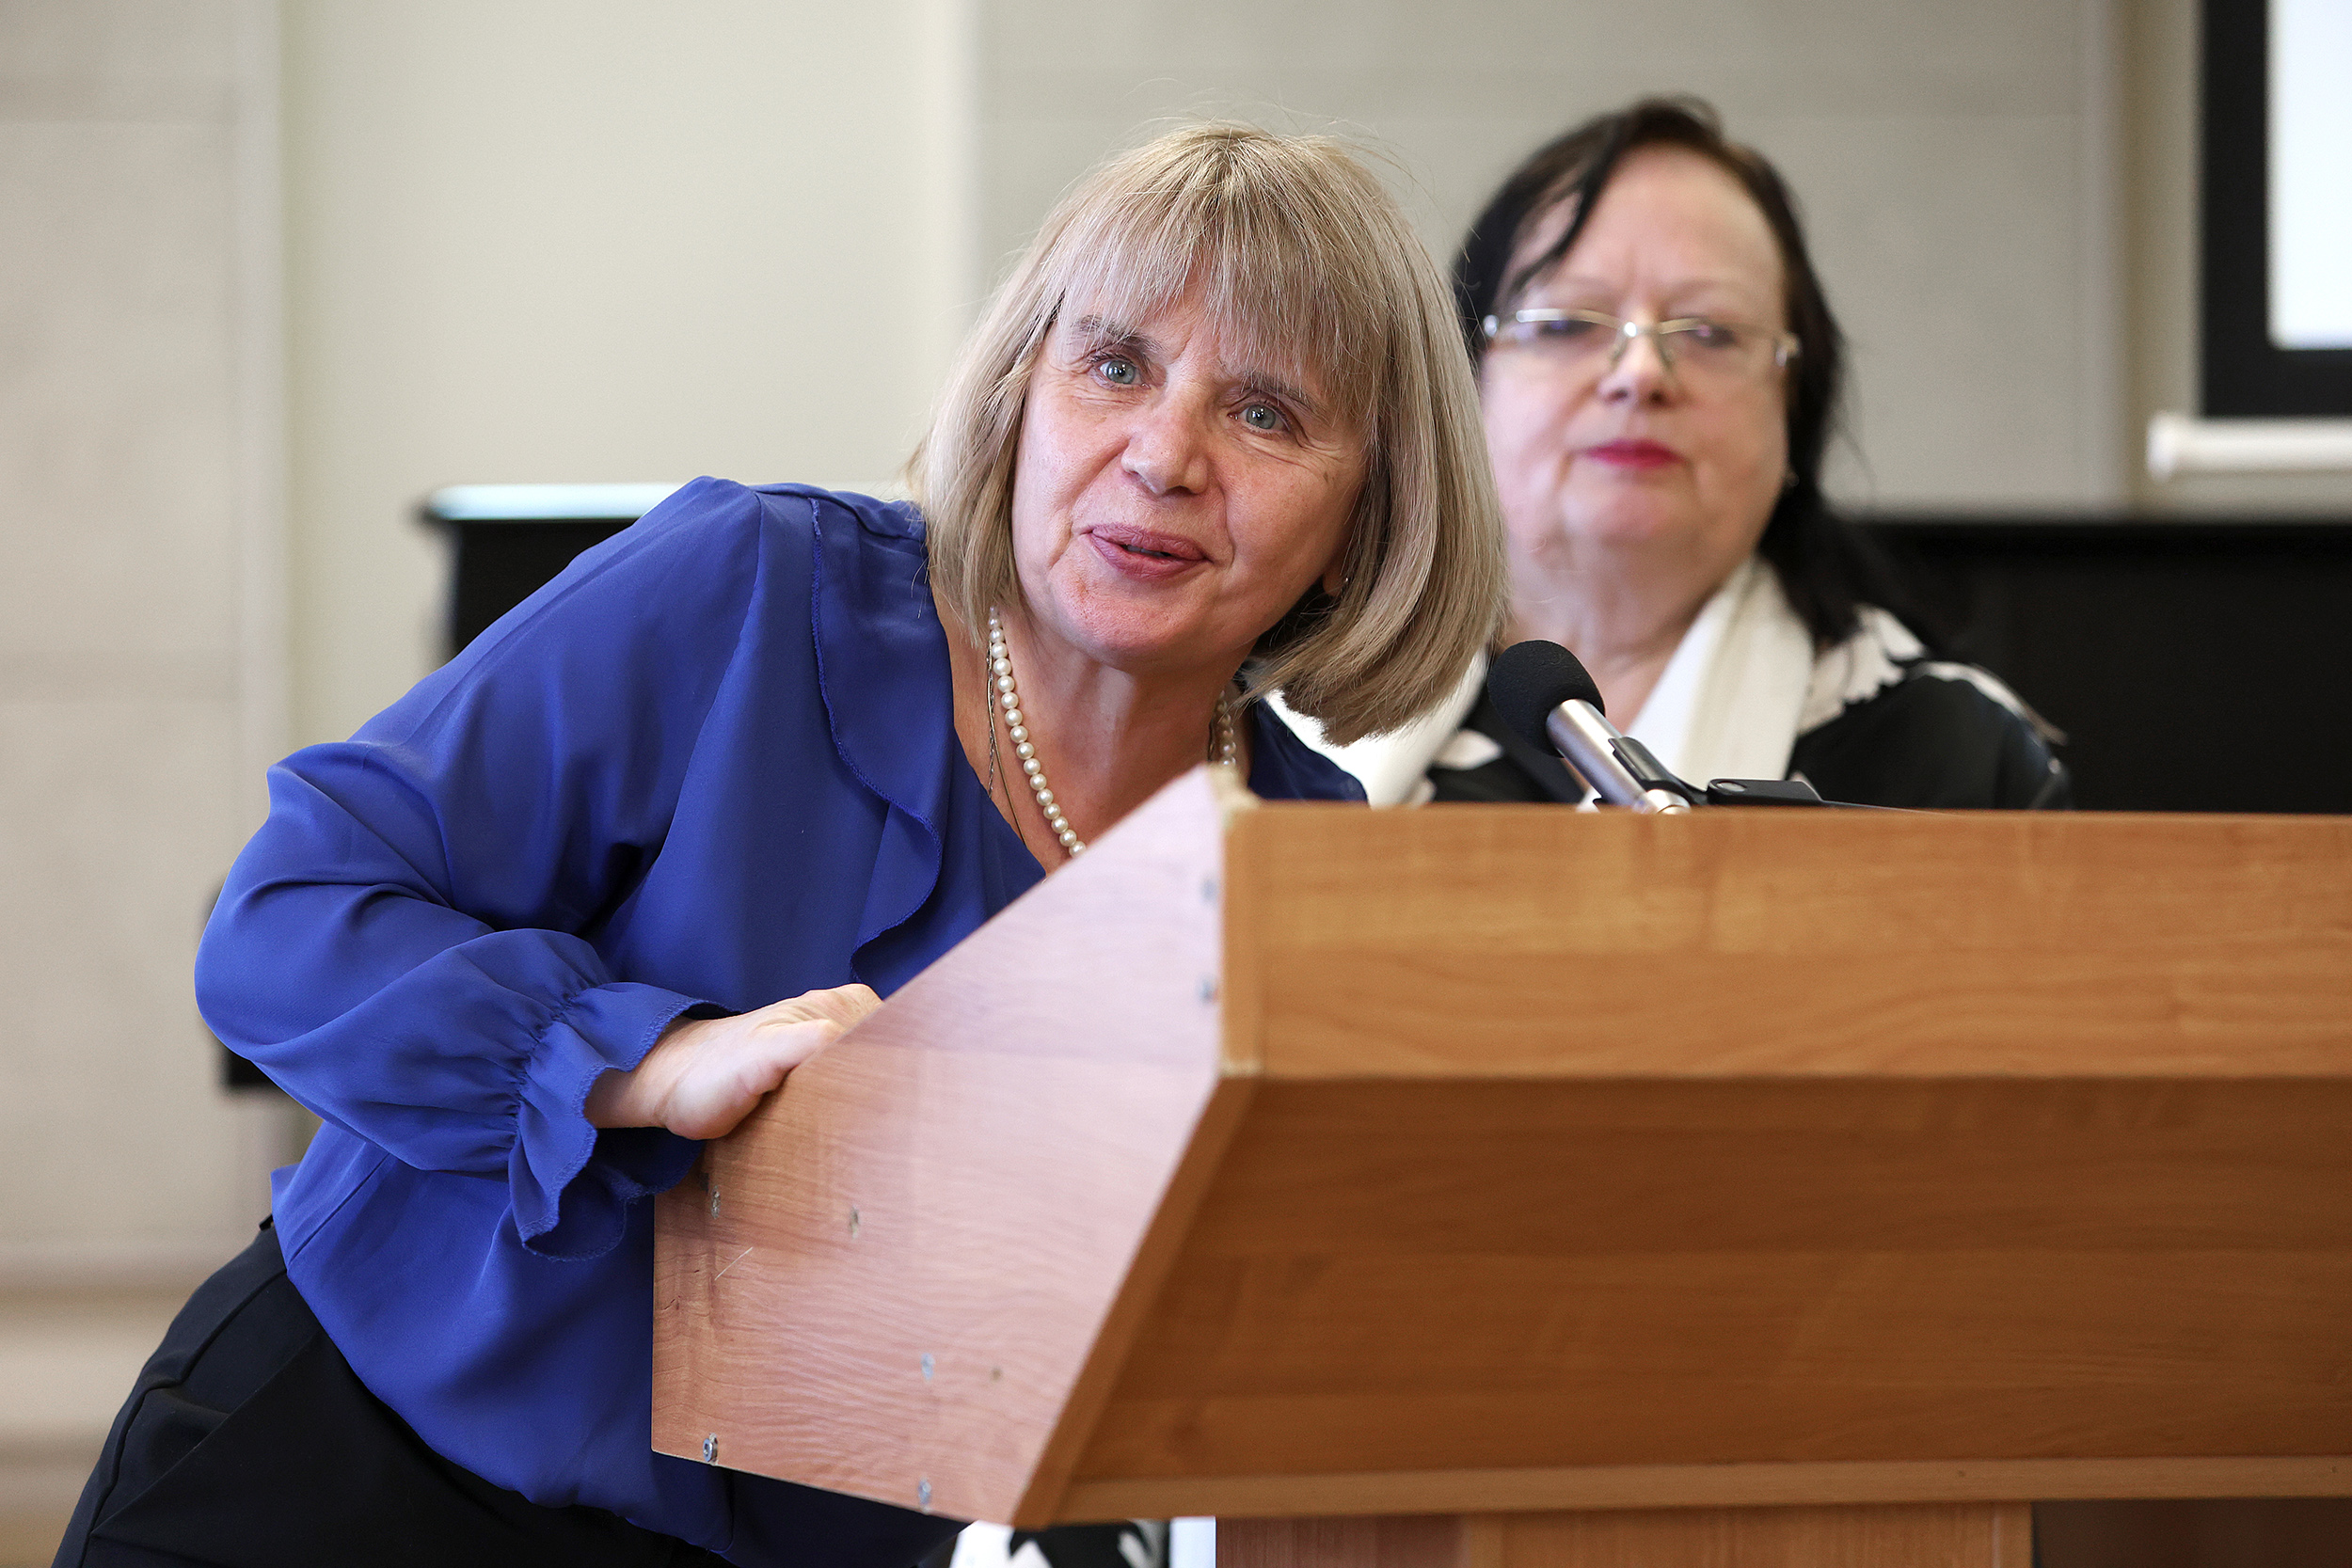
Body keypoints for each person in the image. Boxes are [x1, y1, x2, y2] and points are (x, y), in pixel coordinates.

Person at [56, 124, 1506, 1568]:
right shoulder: (754, 589)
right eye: (1115, 365)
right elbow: (286, 913)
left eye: (1264, 411)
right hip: (345, 1471)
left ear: (1366, 512)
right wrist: (638, 1062)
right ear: (1021, 394)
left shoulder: (1302, 862)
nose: (1166, 454)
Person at [1289, 98, 2067, 810]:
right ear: (1464, 386)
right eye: (1568, 324)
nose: (1640, 374)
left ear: (1794, 409)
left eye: (1709, 332)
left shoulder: (1957, 754)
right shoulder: (1278, 714)